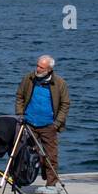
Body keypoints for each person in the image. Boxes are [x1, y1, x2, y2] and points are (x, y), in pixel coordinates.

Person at [15, 55, 70, 186]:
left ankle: (51, 185)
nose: (37, 69)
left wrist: (56, 124)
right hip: (28, 123)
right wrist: (20, 114)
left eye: (41, 67)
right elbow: (20, 96)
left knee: (51, 156)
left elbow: (65, 103)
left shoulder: (60, 83)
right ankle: (20, 178)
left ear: (49, 69)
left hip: (49, 125)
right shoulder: (29, 78)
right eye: (37, 66)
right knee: (24, 152)